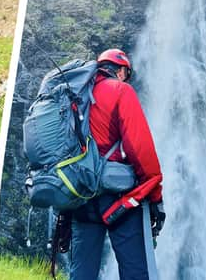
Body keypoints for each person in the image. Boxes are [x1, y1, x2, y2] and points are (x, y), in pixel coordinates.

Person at [69, 48, 165, 280]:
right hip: (119, 199)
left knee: (82, 271)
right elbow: (140, 149)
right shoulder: (120, 90)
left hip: (80, 195)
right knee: (135, 271)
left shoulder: (75, 94)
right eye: (127, 73)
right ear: (120, 70)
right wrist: (155, 195)